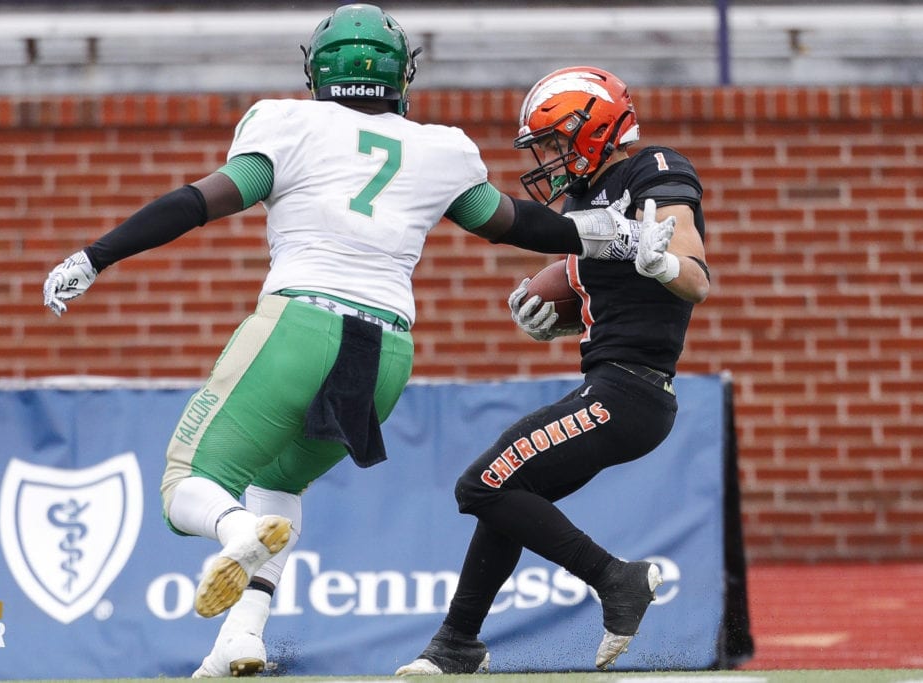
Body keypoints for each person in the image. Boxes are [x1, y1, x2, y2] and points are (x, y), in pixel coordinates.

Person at [40, 7, 644, 679]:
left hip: (301, 323)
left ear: (317, 69)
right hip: (385, 351)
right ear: (398, 73)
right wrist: (608, 235)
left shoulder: (288, 124)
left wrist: (96, 255)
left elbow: (201, 200)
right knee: (277, 482)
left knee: (188, 484)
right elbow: (509, 223)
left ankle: (235, 534)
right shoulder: (438, 147)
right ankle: (241, 635)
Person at [395, 66, 711, 675]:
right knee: (512, 494)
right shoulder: (580, 202)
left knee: (480, 485)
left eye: (557, 142)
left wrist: (661, 261)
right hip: (612, 383)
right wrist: (559, 323)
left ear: (593, 129)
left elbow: (695, 279)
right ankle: (456, 643)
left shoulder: (655, 171)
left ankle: (618, 579)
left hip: (631, 392)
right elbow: (609, 304)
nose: (550, 158)